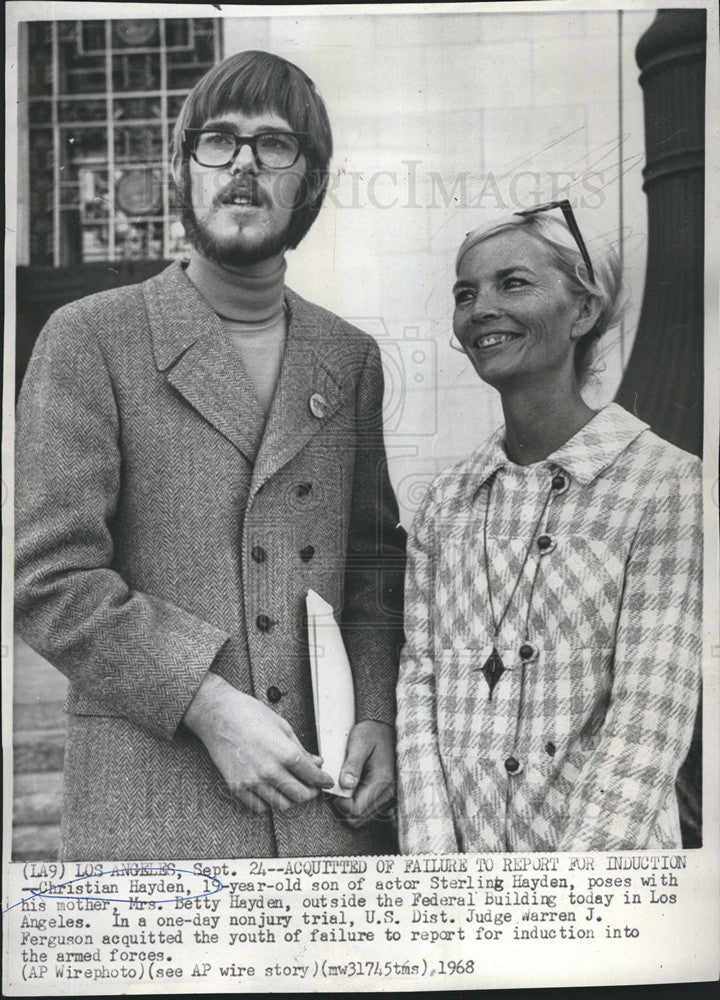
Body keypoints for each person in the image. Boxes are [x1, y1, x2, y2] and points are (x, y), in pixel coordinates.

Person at [15, 50, 405, 860]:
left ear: (314, 182)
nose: (244, 167)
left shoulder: (350, 357)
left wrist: (375, 711)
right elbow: (48, 580)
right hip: (154, 813)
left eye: (275, 146)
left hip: (322, 818)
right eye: (219, 142)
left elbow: (371, 567)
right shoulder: (89, 339)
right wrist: (209, 705)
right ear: (182, 169)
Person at [396, 201, 702, 853]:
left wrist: (566, 902)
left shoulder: (665, 482)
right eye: (465, 293)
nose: (480, 308)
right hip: (464, 896)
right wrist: (436, 881)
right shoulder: (445, 504)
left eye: (513, 283)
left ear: (583, 312)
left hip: (607, 887)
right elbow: (419, 690)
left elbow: (651, 718)